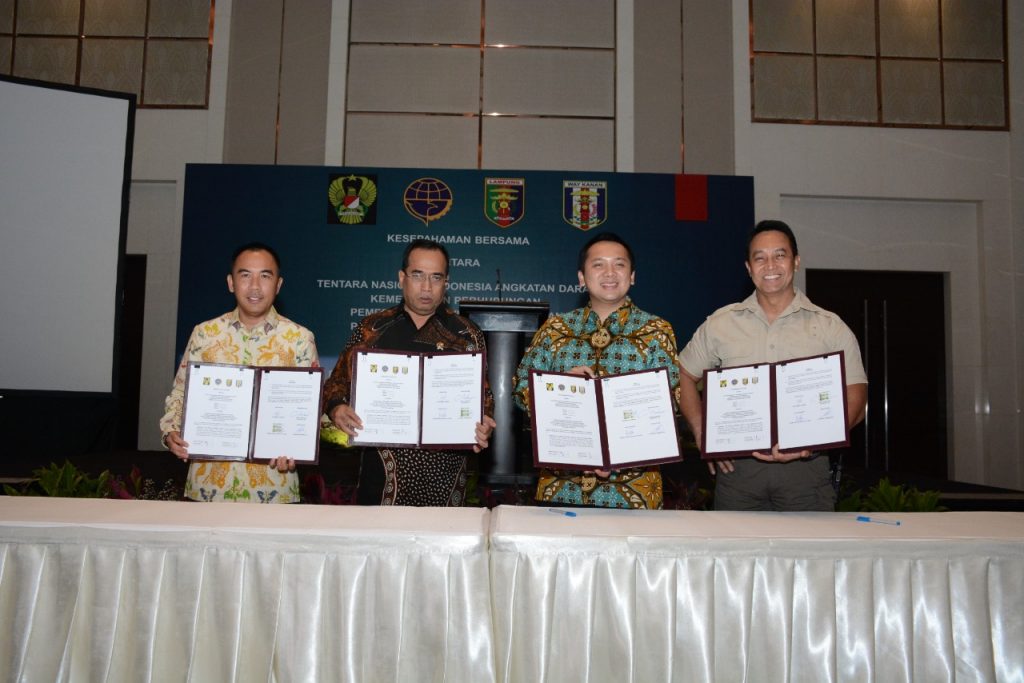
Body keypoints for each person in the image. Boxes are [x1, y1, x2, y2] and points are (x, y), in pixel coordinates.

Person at [678, 220, 868, 511]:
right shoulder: (720, 324)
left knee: (808, 543)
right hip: (738, 475)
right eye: (760, 258)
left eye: (780, 255)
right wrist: (702, 432)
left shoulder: (830, 327)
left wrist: (812, 444)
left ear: (796, 261)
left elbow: (856, 397)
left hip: (806, 473)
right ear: (748, 267)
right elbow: (683, 373)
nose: (770, 265)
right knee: (736, 544)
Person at [322, 239, 497, 506]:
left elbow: (484, 399)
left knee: (444, 535)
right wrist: (337, 408)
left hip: (446, 475)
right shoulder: (371, 329)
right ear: (401, 278)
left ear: (446, 282)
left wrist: (484, 423)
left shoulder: (466, 334)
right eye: (417, 275)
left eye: (436, 277)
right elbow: (335, 385)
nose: (426, 287)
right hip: (382, 474)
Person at [513, 232, 681, 509]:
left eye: (619, 264)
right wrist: (561, 388)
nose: (610, 273)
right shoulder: (556, 329)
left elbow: (669, 402)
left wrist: (618, 452)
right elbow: (521, 389)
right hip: (563, 483)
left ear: (632, 276)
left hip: (634, 485)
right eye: (598, 264)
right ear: (581, 277)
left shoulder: (656, 331)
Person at [160, 242, 320, 503]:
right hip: (208, 485)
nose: (255, 286)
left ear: (278, 285)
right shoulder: (205, 334)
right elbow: (181, 392)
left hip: (273, 486)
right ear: (231, 282)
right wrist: (171, 431)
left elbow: (310, 408)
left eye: (265, 276)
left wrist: (297, 446)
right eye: (245, 275)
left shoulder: (299, 339)